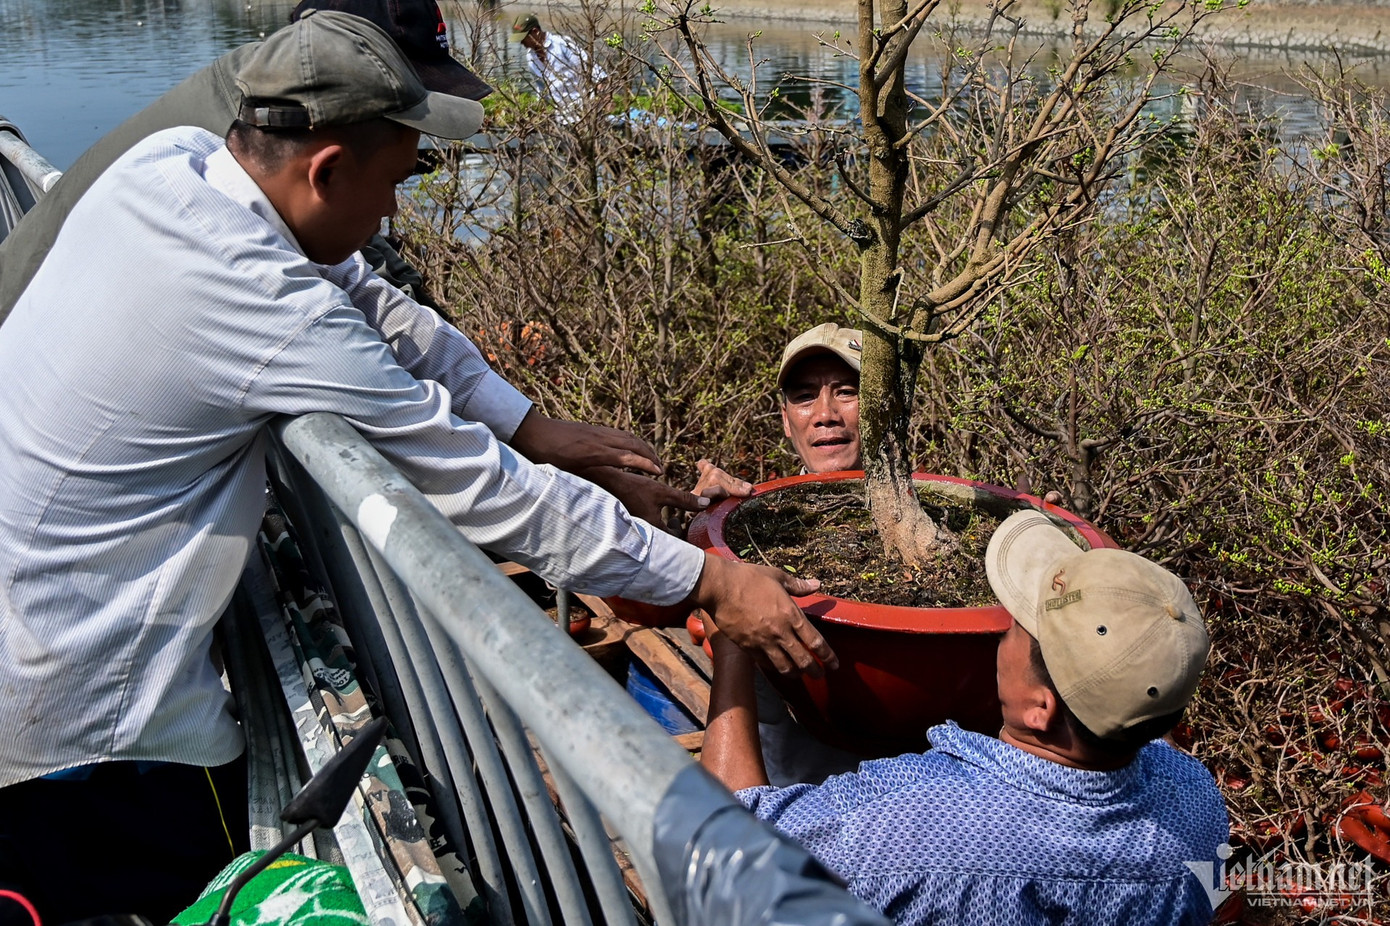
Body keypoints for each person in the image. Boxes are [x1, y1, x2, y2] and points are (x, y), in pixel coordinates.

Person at [0, 12, 834, 922]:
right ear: (326, 170)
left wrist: (532, 424)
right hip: (90, 724)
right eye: (395, 180)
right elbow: (478, 485)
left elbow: (371, 295)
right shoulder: (261, 302)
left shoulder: (170, 167)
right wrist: (709, 581)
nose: (395, 211)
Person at [699, 508, 1230, 925]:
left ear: (1040, 708)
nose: (1001, 630)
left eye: (1019, 626)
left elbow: (726, 842)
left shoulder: (912, 826)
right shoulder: (1194, 800)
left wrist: (730, 644)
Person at [510, 11, 607, 125]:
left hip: (586, 109)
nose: (521, 43)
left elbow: (594, 70)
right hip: (561, 116)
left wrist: (603, 97)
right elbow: (541, 87)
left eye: (523, 38)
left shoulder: (561, 44)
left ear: (535, 32)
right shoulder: (530, 58)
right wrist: (539, 110)